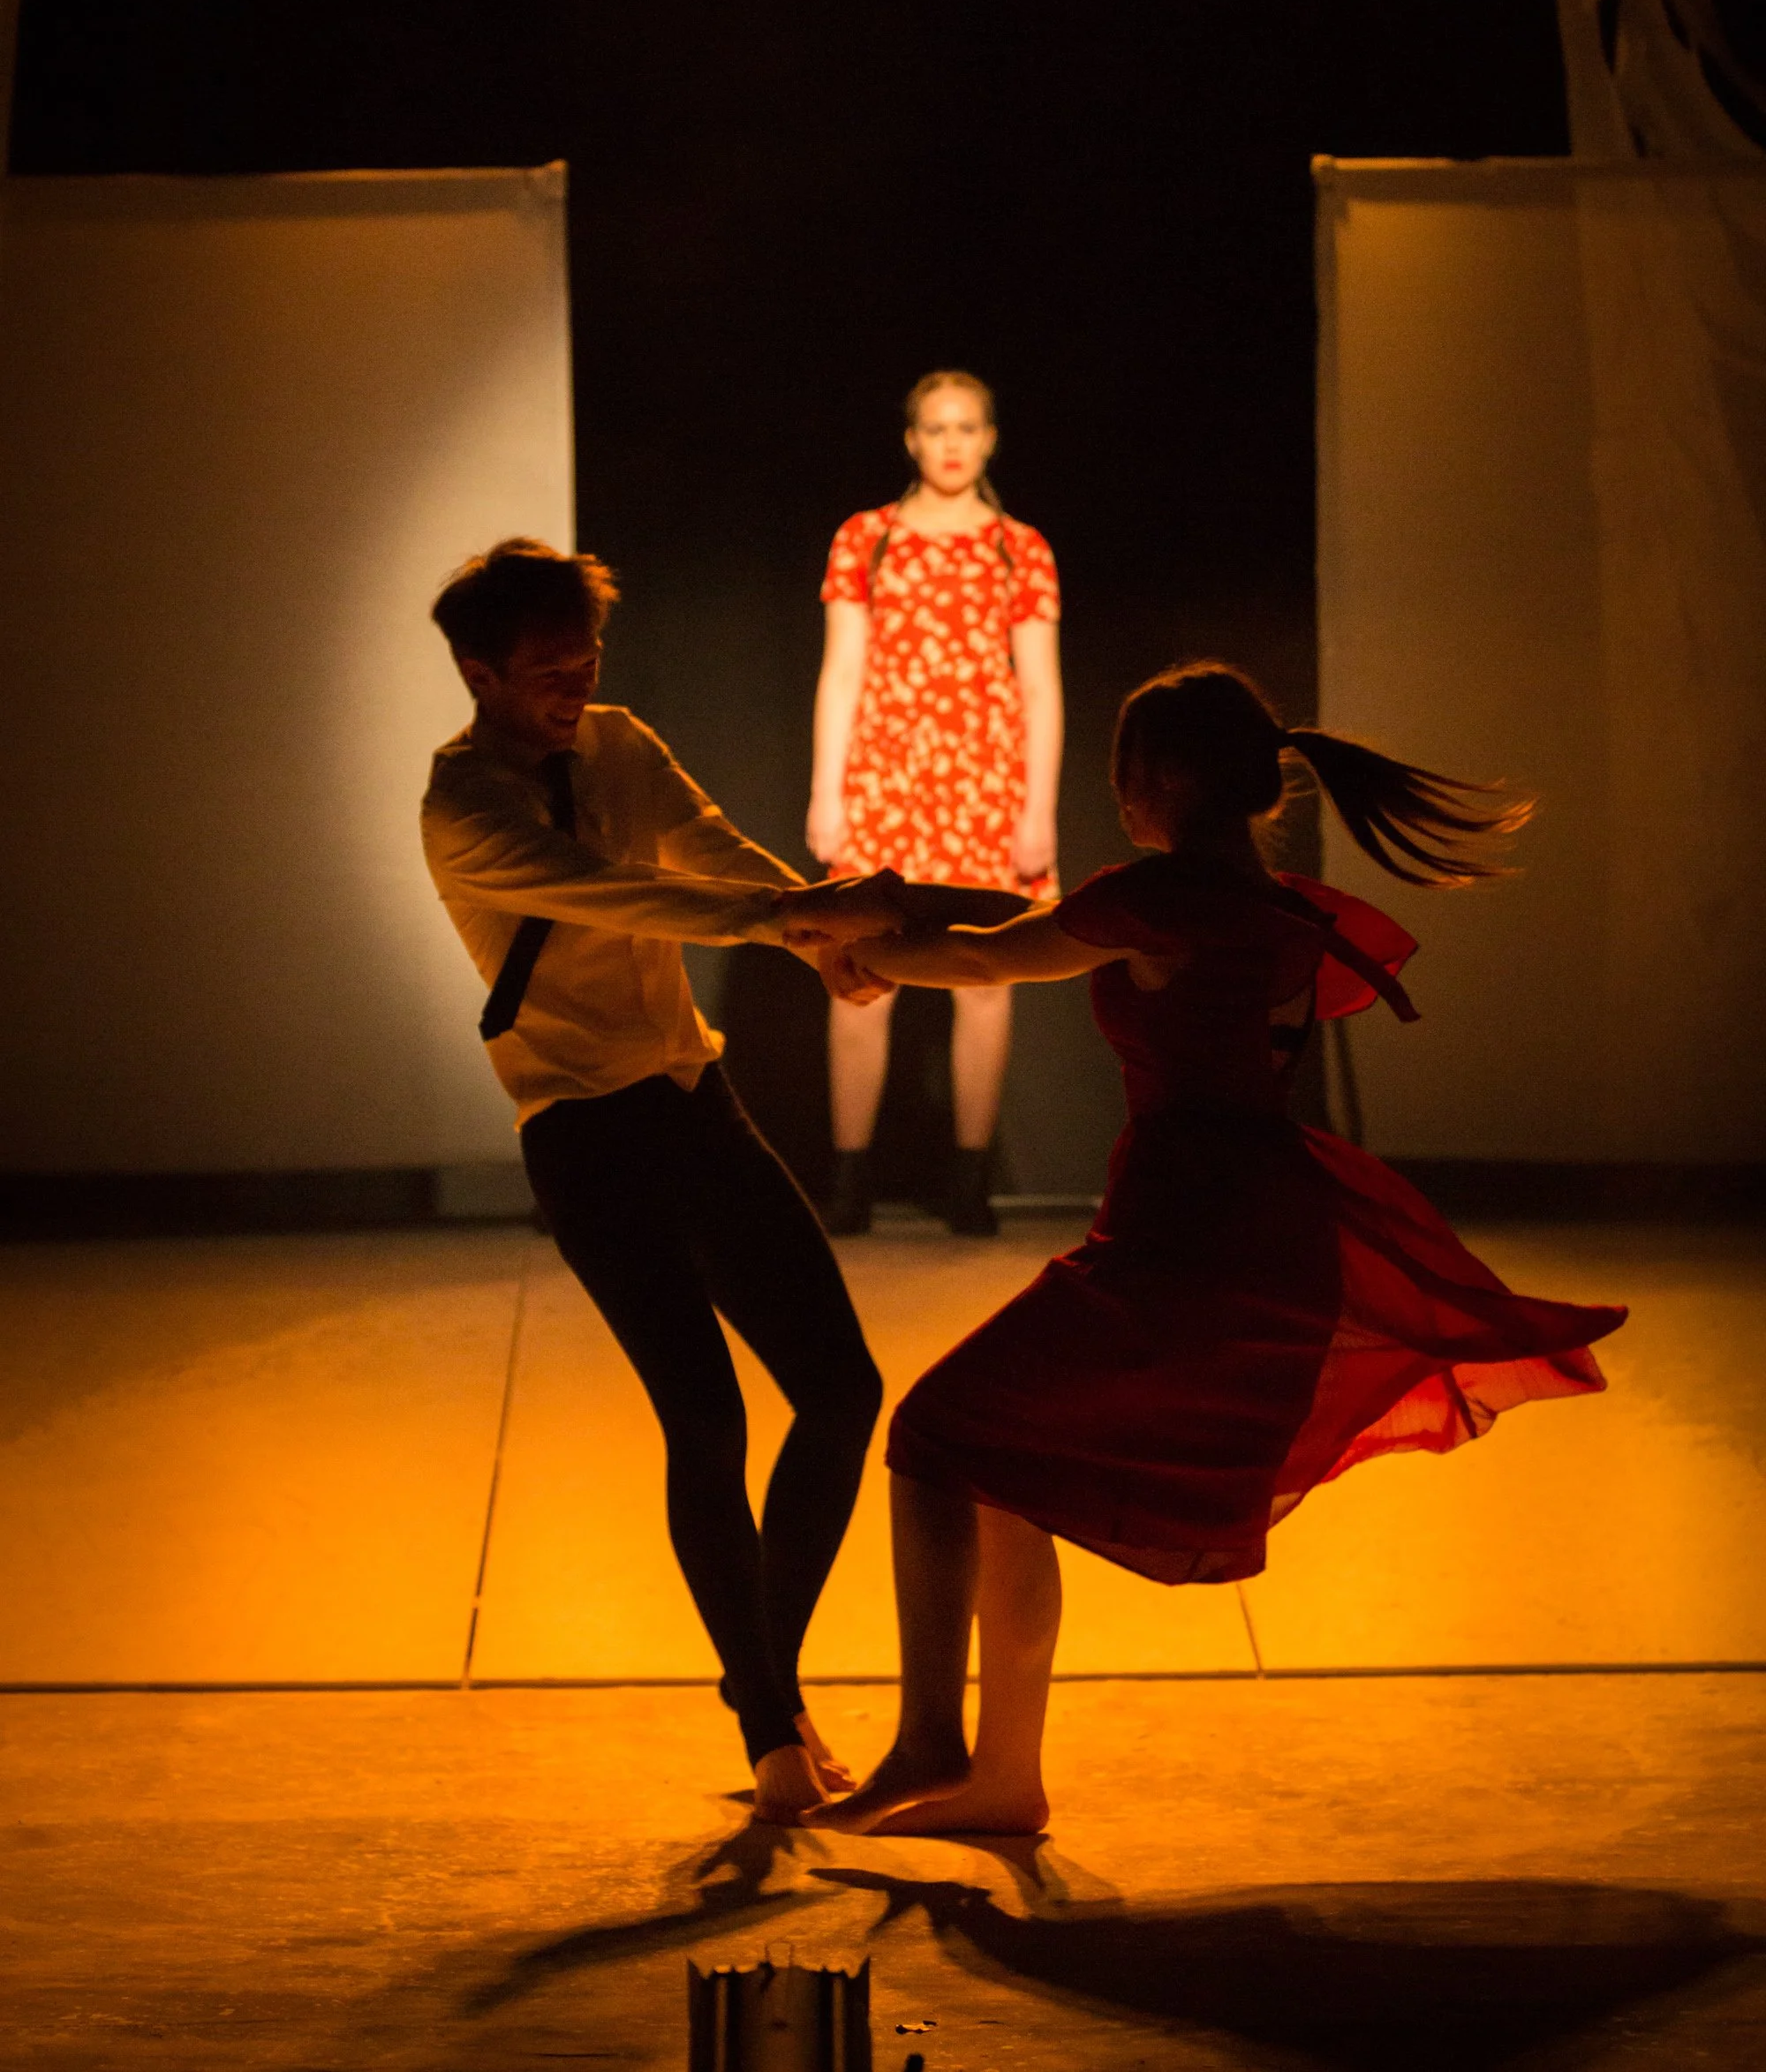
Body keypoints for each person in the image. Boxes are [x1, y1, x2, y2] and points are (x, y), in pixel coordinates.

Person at [814, 661, 1627, 1836]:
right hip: (1264, 1229)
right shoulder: (1279, 905)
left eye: (1120, 772)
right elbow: (1006, 927)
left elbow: (994, 955)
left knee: (936, 1431)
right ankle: (1003, 1779)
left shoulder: (1159, 900)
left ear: (1152, 780)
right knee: (997, 1463)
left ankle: (935, 1741)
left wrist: (855, 953)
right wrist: (884, 921)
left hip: (1185, 1237)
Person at [420, 539, 900, 1825]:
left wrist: (813, 921)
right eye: (546, 667)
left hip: (695, 1098)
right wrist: (782, 924)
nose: (576, 681)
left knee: (843, 1391)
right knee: (705, 1420)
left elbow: (712, 848)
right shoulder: (463, 807)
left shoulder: (622, 741)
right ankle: (769, 1724)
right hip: (586, 1133)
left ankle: (767, 1681)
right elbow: (616, 894)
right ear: (478, 672)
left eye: (585, 654)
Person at [808, 370, 1063, 1238]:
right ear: (911, 440)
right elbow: (841, 671)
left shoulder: (1018, 548)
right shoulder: (867, 537)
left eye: (966, 428)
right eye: (936, 428)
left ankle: (968, 1181)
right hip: (885, 780)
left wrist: (1037, 808)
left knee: (986, 978)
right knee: (859, 973)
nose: (951, 444)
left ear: (989, 439)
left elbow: (1040, 685)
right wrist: (828, 791)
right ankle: (849, 1179)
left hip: (985, 783)